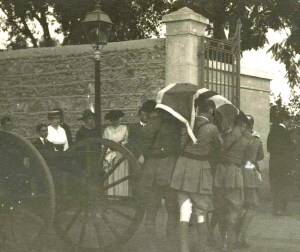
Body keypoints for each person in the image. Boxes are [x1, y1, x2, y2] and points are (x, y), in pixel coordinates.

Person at [170, 100, 223, 252]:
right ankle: (203, 248)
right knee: (201, 212)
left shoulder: (187, 125)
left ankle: (184, 249)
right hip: (199, 171)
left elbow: (180, 145)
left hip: (182, 169)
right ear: (211, 111)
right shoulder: (212, 128)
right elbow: (221, 146)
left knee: (184, 211)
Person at [139, 102, 181, 246]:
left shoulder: (148, 127)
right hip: (169, 168)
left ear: (148, 112)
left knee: (151, 208)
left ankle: (152, 244)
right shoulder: (173, 125)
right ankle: (171, 242)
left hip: (151, 170)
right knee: (172, 208)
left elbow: (144, 149)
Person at [212, 112, 250, 252]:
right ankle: (226, 243)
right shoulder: (246, 140)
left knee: (220, 208)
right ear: (244, 125)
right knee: (234, 209)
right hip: (234, 174)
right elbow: (248, 160)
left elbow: (216, 151)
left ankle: (223, 242)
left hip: (220, 173)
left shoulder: (224, 136)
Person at [236, 115, 264, 248]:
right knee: (250, 205)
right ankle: (241, 236)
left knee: (236, 205)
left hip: (235, 171)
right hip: (248, 172)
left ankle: (230, 236)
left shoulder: (237, 137)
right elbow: (260, 156)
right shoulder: (256, 139)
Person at [267, 111, 293, 216]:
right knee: (283, 185)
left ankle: (276, 209)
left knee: (275, 185)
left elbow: (269, 147)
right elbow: (290, 149)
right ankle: (282, 209)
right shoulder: (285, 133)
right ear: (285, 121)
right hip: (283, 163)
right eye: (289, 122)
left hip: (273, 162)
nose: (289, 124)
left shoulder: (272, 131)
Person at [103, 110, 129, 196]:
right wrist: (109, 149)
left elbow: (127, 140)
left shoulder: (124, 128)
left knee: (121, 173)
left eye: (117, 119)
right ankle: (112, 195)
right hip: (111, 153)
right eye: (113, 119)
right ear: (111, 120)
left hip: (120, 153)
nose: (116, 121)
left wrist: (120, 145)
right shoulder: (107, 129)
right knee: (112, 174)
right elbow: (104, 142)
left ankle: (121, 195)